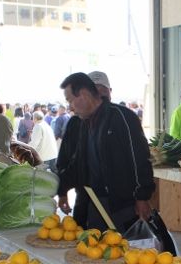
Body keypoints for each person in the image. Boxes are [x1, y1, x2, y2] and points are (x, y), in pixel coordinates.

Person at [57, 72, 155, 232]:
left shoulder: (122, 117)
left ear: (83, 94)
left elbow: (140, 158)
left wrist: (142, 197)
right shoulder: (84, 124)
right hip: (95, 204)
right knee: (98, 246)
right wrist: (60, 188)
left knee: (124, 246)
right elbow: (78, 163)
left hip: (123, 205)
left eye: (70, 100)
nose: (70, 107)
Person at [57, 70, 112, 226]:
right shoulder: (76, 123)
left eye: (104, 92)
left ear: (110, 91)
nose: (100, 96)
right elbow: (66, 159)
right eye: (96, 91)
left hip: (114, 202)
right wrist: (62, 191)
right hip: (84, 196)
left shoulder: (118, 118)